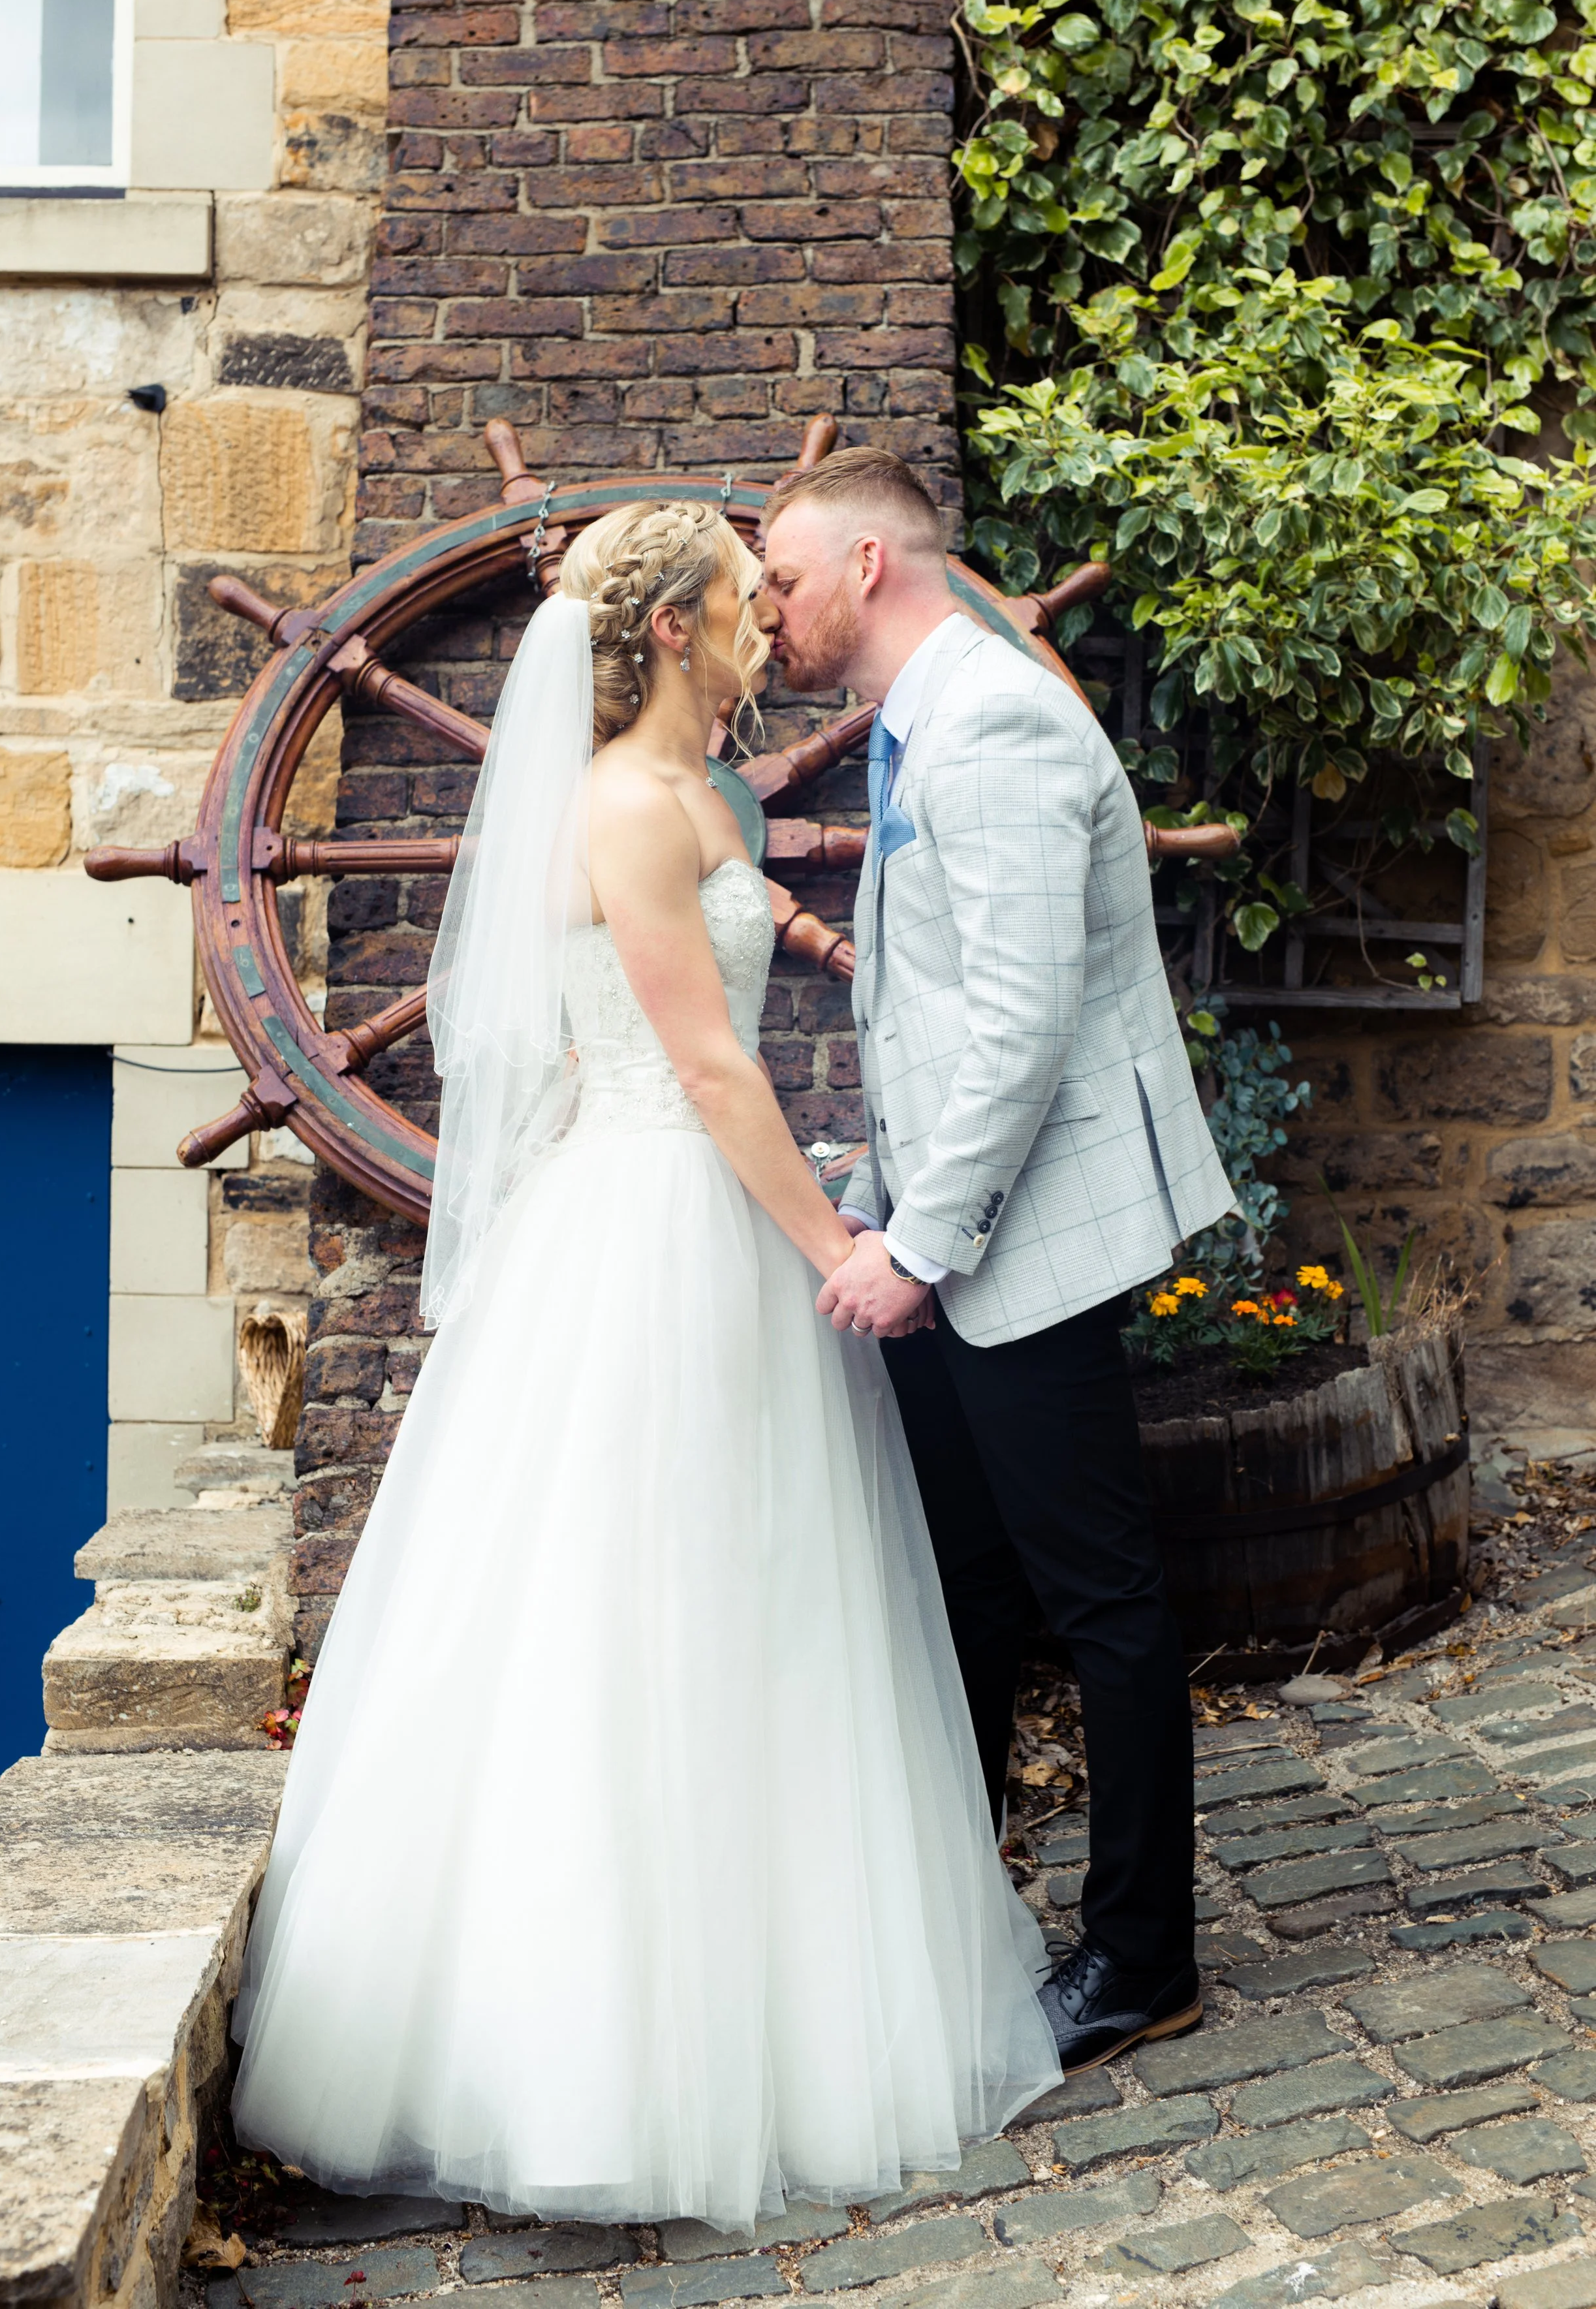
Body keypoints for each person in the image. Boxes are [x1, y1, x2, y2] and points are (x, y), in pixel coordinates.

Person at [228, 499, 1061, 2231]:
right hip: (645, 1228)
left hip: (722, 1225)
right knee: (621, 1609)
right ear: (669, 627)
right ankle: (582, 2051)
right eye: (741, 603)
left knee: (761, 1604)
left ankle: (770, 1987)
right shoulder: (618, 804)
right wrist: (836, 1244)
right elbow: (702, 1067)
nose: (771, 619)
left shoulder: (721, 796)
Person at [758, 449, 1236, 2074]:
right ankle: (950, 1925)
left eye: (784, 576)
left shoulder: (1002, 722)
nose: (769, 609)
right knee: (966, 1588)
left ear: (875, 567)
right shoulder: (920, 727)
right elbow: (947, 1007)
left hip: (1019, 1241)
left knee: (1097, 1599)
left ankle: (1139, 1960)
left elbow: (1025, 1023)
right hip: (951, 1228)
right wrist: (885, 1198)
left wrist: (923, 1245)